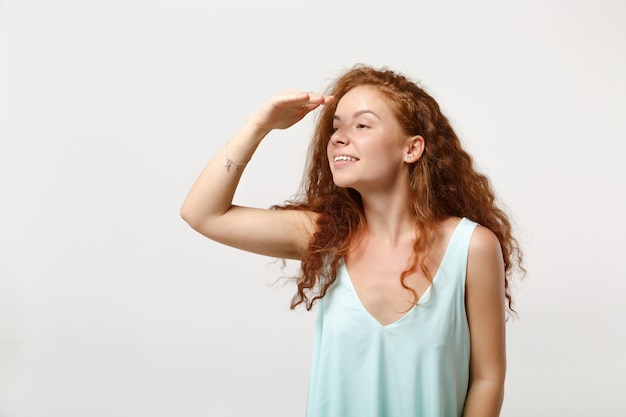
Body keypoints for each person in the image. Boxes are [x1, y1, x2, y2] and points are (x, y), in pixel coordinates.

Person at [180, 64, 523, 417]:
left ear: (412, 148)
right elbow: (202, 213)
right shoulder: (325, 237)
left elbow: (487, 379)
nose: (339, 137)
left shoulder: (472, 247)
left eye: (362, 124)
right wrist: (259, 126)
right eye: (336, 126)